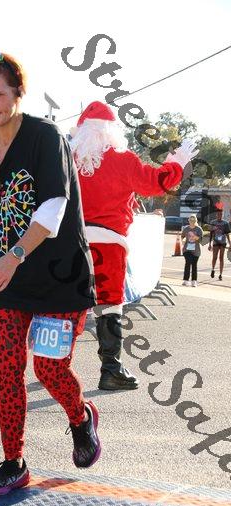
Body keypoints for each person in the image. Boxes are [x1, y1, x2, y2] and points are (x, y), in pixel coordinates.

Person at [0, 50, 99, 496]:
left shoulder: (46, 136)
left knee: (48, 368)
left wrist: (12, 257)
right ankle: (13, 462)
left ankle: (80, 416)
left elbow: (53, 208)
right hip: (4, 281)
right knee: (7, 372)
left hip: (59, 278)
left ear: (17, 93)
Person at [70, 101, 198, 391]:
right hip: (109, 244)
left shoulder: (68, 159)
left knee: (70, 304)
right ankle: (111, 370)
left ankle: (57, 365)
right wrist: (176, 163)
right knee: (109, 307)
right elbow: (154, 183)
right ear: (111, 130)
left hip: (72, 242)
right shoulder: (122, 158)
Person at [209, 204, 231, 281]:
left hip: (222, 242)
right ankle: (212, 269)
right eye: (218, 214)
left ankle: (220, 274)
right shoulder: (213, 222)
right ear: (216, 215)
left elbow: (227, 234)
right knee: (214, 257)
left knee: (221, 258)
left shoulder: (225, 223)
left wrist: (230, 244)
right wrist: (209, 244)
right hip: (215, 242)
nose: (219, 216)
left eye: (221, 214)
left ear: (222, 215)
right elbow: (211, 234)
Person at [181, 214, 203, 286]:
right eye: (190, 220)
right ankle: (186, 280)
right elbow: (182, 236)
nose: (192, 222)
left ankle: (194, 281)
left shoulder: (199, 229)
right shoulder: (186, 228)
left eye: (193, 220)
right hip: (187, 250)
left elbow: (201, 240)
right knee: (188, 263)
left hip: (196, 251)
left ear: (196, 221)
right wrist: (183, 240)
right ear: (189, 221)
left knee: (194, 265)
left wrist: (196, 237)